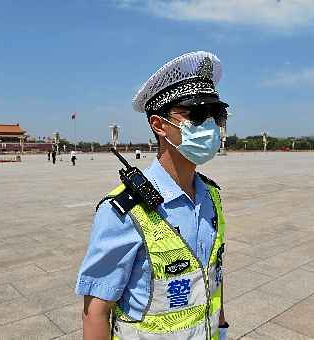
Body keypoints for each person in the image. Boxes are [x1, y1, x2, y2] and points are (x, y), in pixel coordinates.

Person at [76, 51, 230, 339]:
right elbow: (96, 312)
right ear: (159, 125)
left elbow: (213, 277)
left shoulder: (212, 197)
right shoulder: (123, 210)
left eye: (214, 114)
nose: (208, 124)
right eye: (195, 114)